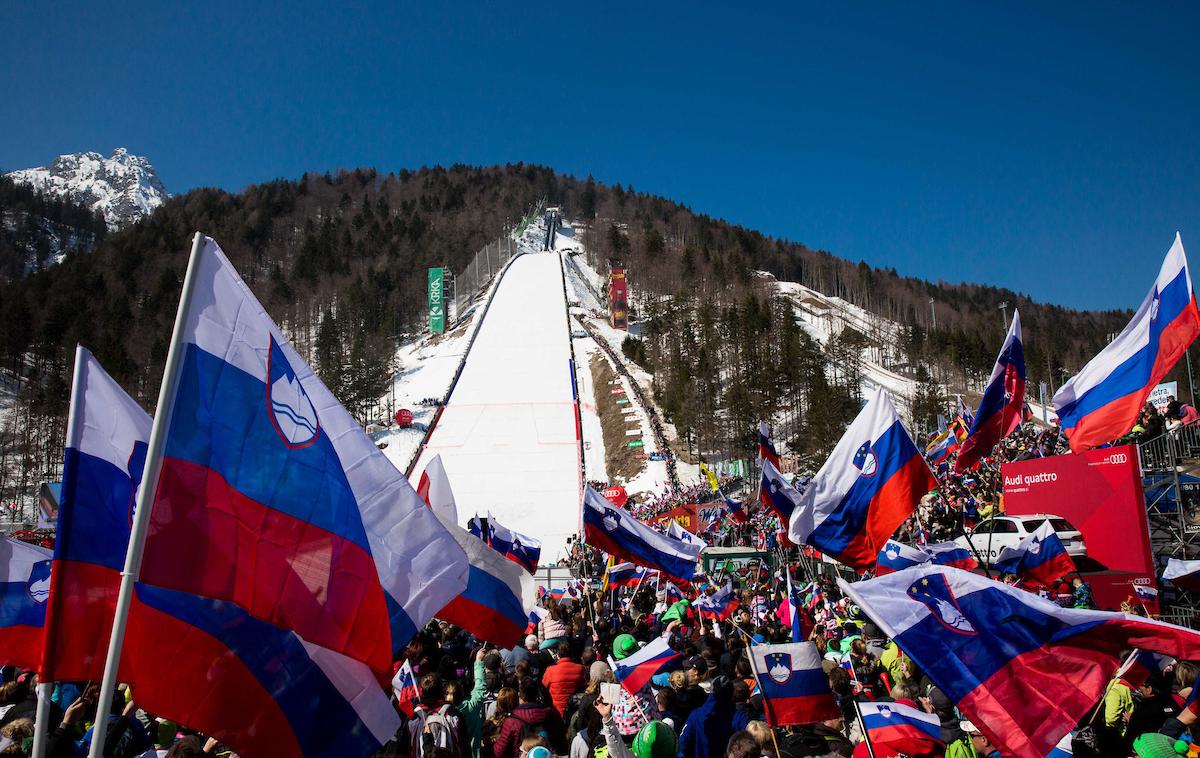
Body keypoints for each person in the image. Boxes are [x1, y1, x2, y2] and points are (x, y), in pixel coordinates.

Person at [542, 642, 588, 717]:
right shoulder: (581, 669)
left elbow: (543, 688)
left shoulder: (550, 670)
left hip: (556, 712)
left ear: (558, 654)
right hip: (575, 711)